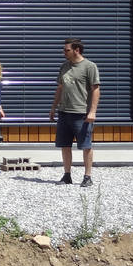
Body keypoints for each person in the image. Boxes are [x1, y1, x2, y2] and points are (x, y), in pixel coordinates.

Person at [49, 38, 100, 187]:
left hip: (81, 113)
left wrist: (92, 111)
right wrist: (53, 107)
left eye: (67, 50)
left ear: (76, 50)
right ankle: (67, 175)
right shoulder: (64, 66)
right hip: (64, 112)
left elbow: (95, 90)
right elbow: (60, 88)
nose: (64, 52)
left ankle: (87, 176)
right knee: (65, 145)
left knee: (86, 145)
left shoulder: (89, 67)